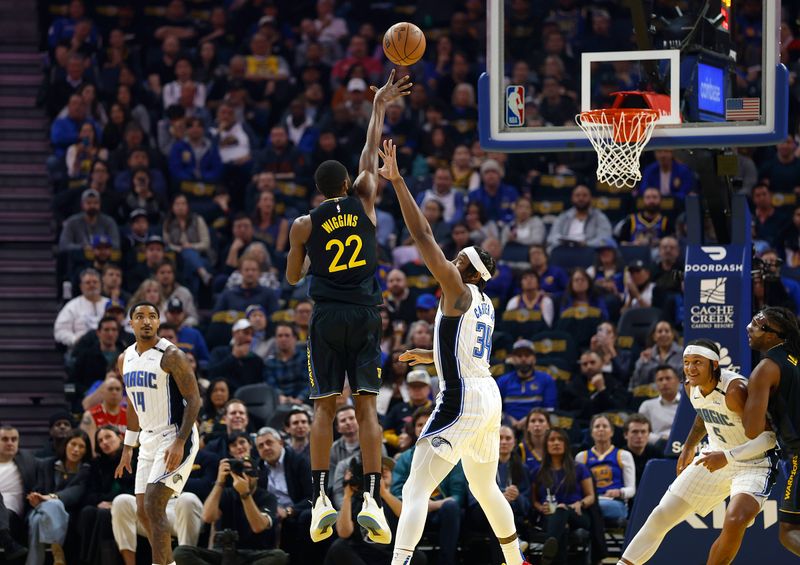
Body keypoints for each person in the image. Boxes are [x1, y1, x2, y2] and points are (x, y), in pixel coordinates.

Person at [377, 138, 529, 565]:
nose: (450, 260)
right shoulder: (484, 303)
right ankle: (517, 561)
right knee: (485, 488)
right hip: (487, 393)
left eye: (457, 259)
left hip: (462, 397)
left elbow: (422, 234)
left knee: (414, 489)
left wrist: (398, 181)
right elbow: (466, 350)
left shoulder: (458, 289)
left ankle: (399, 562)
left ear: (467, 269)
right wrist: (429, 355)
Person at [285, 71, 411, 544]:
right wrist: (377, 107)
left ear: (319, 191)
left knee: (322, 409)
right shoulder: (366, 198)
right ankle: (374, 501)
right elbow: (369, 150)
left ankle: (320, 498)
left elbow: (294, 278)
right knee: (367, 412)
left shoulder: (304, 223)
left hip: (326, 316)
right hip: (364, 315)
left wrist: (305, 248)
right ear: (348, 183)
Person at [617, 339, 779, 565]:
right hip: (715, 454)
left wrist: (728, 457)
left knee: (734, 519)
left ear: (714, 364)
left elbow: (769, 438)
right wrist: (690, 445)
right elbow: (704, 413)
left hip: (754, 463)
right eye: (686, 362)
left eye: (697, 362)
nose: (690, 368)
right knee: (661, 514)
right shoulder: (690, 385)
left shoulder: (735, 391)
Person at [114, 301, 202, 565]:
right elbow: (131, 402)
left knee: (154, 505)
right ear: (130, 324)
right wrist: (128, 447)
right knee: (142, 510)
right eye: (140, 316)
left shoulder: (171, 355)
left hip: (174, 435)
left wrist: (180, 441)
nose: (146, 321)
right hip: (148, 438)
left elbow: (195, 399)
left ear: (158, 322)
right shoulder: (125, 358)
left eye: (152, 316)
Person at [718, 307, 800, 556]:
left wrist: (736, 399)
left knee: (789, 531)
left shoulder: (765, 369)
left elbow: (752, 430)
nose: (749, 328)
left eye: (757, 324)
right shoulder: (794, 359)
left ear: (775, 335)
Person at [173, 456, 288, 565]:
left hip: (254, 554)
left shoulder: (267, 497)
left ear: (257, 475)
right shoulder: (225, 493)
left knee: (279, 556)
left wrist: (245, 495)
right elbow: (207, 517)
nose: (244, 474)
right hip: (222, 552)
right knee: (181, 552)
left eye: (248, 470)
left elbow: (258, 526)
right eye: (239, 469)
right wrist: (219, 482)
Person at [27, 429, 92, 565]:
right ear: (65, 445)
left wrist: (49, 498)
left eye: (81, 447)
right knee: (45, 511)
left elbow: (75, 494)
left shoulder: (86, 470)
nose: (76, 450)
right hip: (40, 508)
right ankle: (57, 551)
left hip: (69, 513)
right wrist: (36, 499)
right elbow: (37, 488)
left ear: (86, 451)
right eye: (73, 444)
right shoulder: (47, 465)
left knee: (43, 516)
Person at [532, 428, 596, 565]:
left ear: (566, 444)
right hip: (549, 515)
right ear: (546, 444)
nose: (556, 443)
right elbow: (534, 500)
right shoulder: (538, 471)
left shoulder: (579, 468)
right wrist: (540, 508)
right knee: (563, 527)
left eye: (560, 439)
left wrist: (581, 504)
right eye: (552, 440)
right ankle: (552, 552)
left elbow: (591, 496)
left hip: (577, 514)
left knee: (562, 510)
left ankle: (548, 553)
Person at [575, 414, 636, 520]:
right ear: (591, 433)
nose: (601, 429)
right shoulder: (582, 457)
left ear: (612, 432)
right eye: (597, 426)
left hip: (614, 502)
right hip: (590, 501)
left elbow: (631, 489)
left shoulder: (623, 455)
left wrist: (619, 492)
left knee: (592, 509)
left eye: (605, 426)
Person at [0, 425, 37, 560]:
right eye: (5, 439)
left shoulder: (28, 459)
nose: (10, 443)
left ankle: (6, 538)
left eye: (14, 439)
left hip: (12, 517)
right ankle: (6, 540)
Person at [637, 365, 681, 446]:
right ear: (656, 384)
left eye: (668, 378)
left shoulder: (690, 403)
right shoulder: (647, 406)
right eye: (660, 380)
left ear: (678, 381)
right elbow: (641, 431)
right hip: (659, 447)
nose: (664, 383)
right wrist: (660, 440)